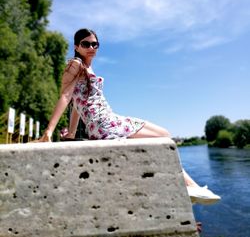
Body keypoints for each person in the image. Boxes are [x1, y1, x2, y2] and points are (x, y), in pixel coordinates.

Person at [39, 28, 220, 205]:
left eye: (95, 44)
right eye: (86, 44)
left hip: (102, 124)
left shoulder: (86, 68)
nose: (91, 48)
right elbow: (65, 96)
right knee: (164, 135)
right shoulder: (75, 65)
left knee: (162, 137)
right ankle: (188, 186)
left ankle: (190, 186)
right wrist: (49, 131)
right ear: (77, 46)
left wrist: (71, 133)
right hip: (106, 123)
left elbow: (77, 105)